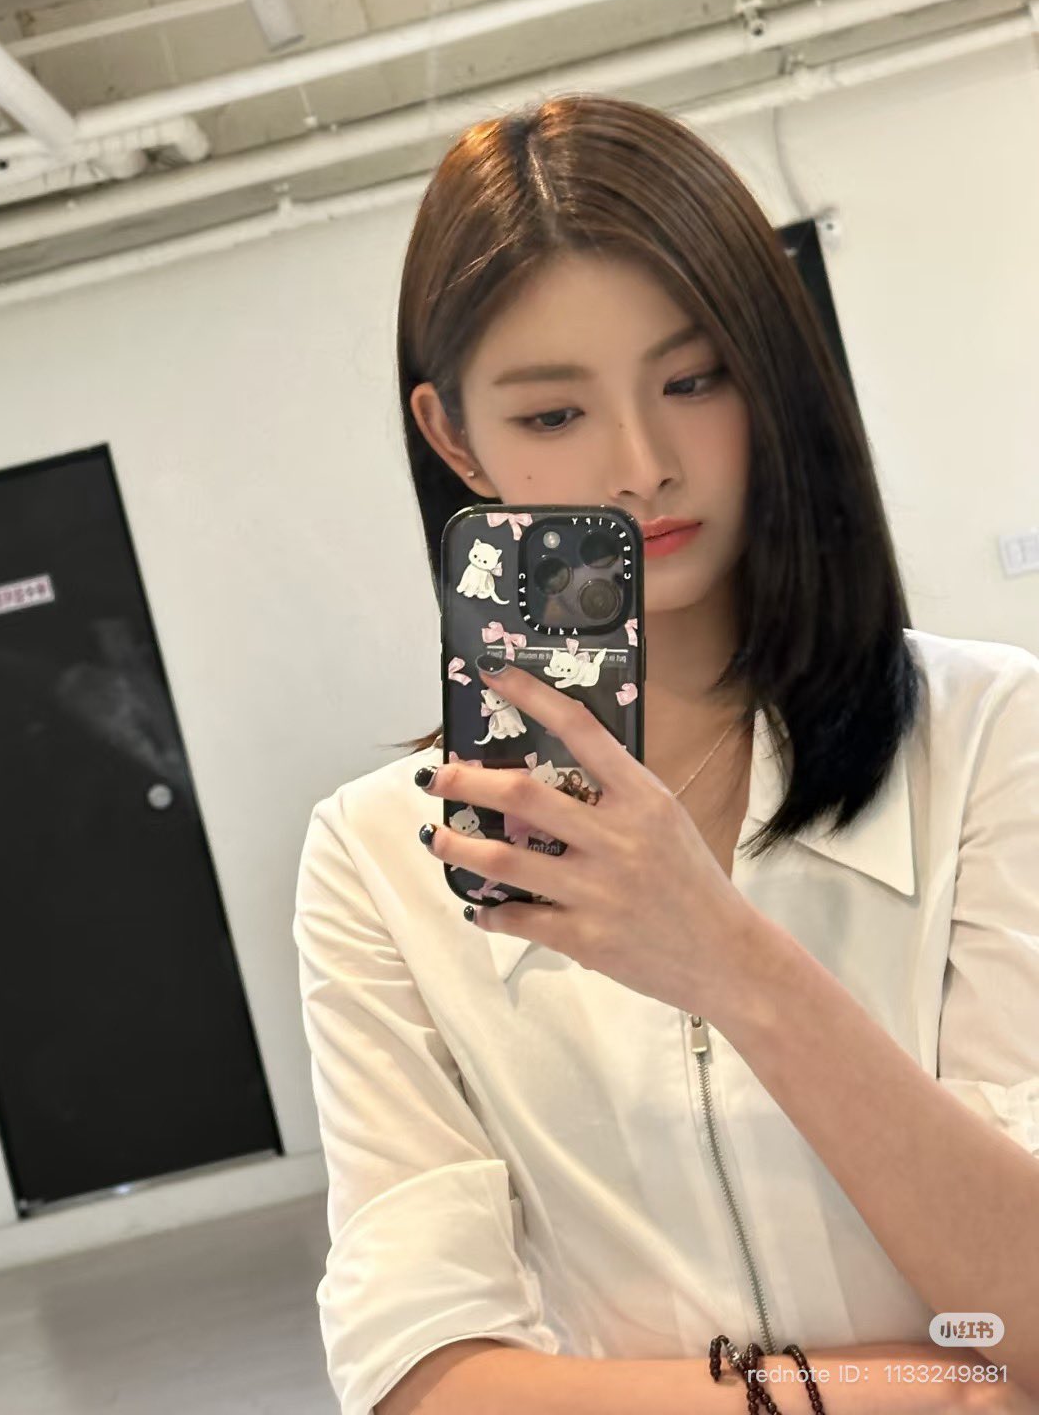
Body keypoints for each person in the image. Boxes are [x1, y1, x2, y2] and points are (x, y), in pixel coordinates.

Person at [292, 94, 1039, 1415]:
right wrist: (916, 1392)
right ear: (456, 439)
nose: (642, 467)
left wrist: (730, 961)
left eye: (693, 382)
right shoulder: (378, 858)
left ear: (772, 377)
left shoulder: (988, 737)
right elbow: (419, 1375)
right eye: (553, 416)